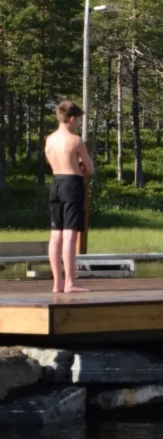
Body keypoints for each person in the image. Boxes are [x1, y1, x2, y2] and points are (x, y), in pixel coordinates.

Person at [44, 101, 94, 294]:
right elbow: (89, 168)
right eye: (77, 120)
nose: (77, 124)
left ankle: (57, 283)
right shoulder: (75, 141)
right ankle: (70, 282)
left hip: (56, 183)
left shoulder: (49, 140)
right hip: (72, 184)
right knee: (70, 235)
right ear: (72, 119)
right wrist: (80, 166)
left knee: (55, 234)